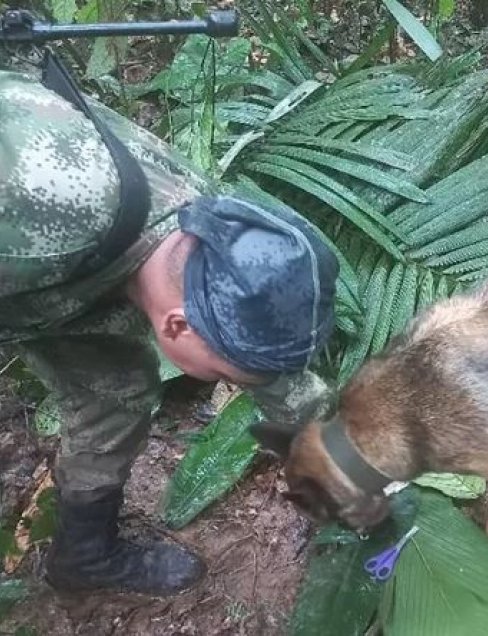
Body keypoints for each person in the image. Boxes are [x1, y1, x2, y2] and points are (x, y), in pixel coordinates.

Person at [0, 67, 339, 596]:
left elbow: (264, 367)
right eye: (225, 376)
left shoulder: (211, 232)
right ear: (177, 324)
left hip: (65, 282)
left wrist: (348, 463)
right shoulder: (41, 228)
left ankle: (83, 557)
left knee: (115, 390)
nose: (240, 382)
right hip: (30, 256)